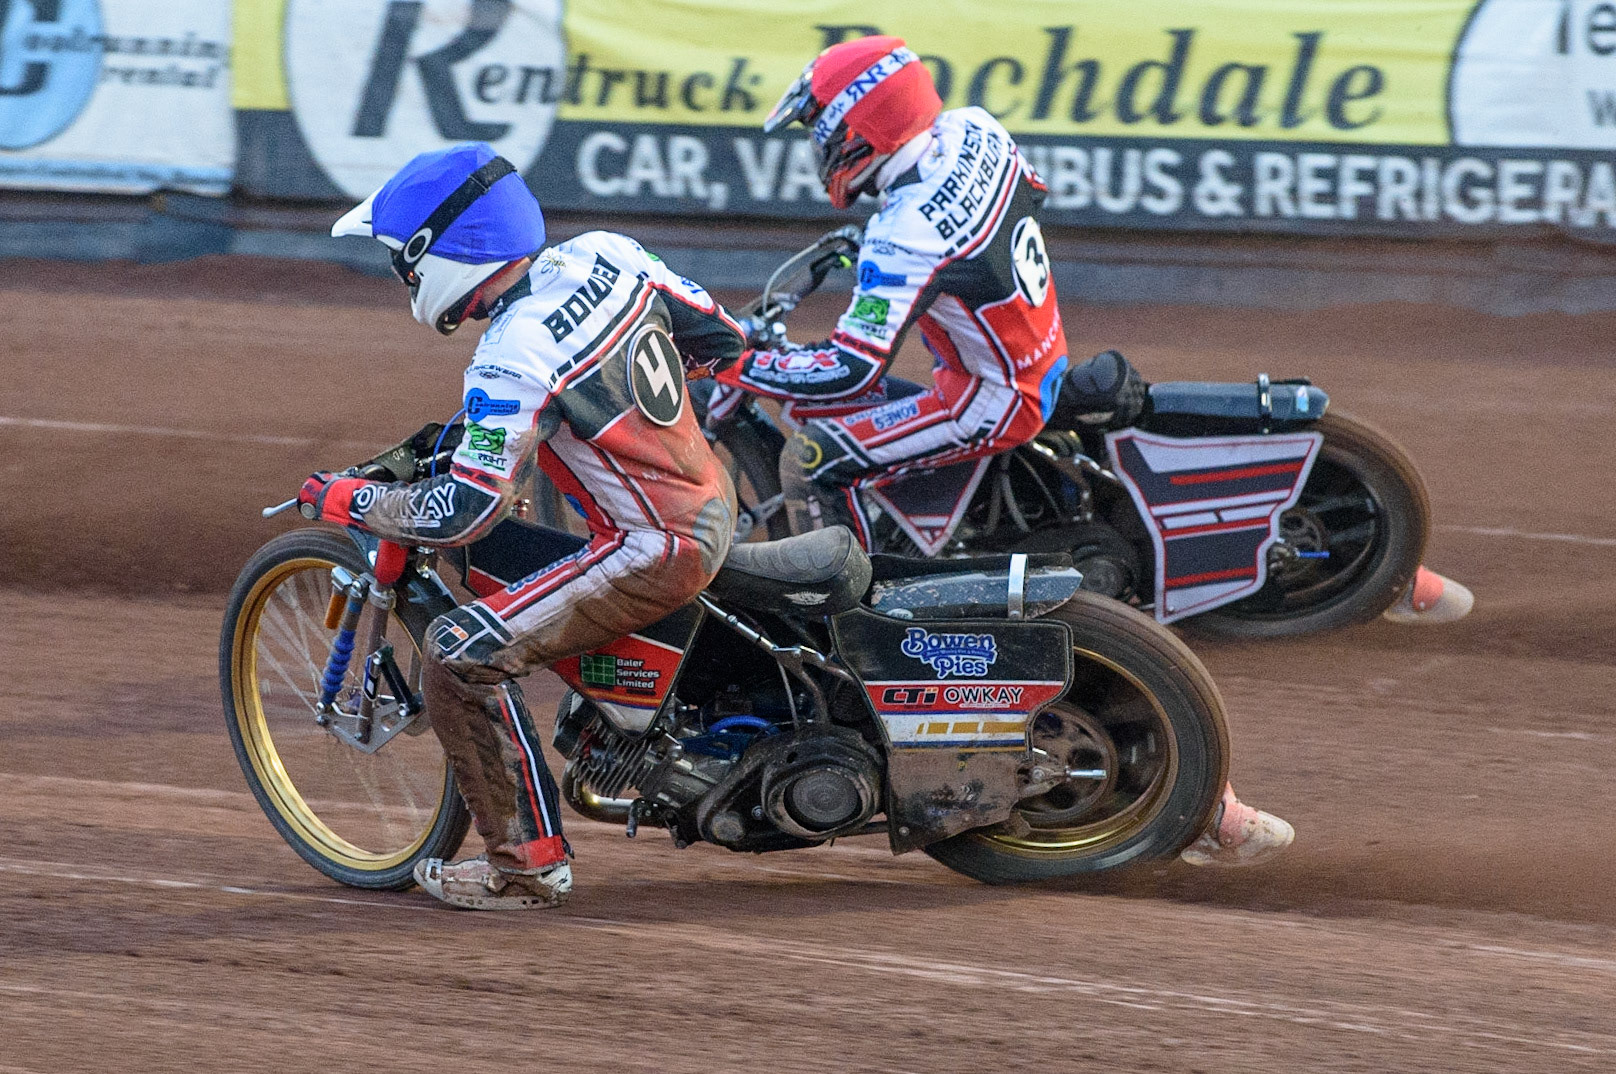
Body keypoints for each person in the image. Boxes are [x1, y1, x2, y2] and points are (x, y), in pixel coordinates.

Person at [723, 35, 1293, 868]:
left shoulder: (904, 234)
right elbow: (1009, 208)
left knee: (812, 455)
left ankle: (849, 608)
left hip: (989, 396)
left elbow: (847, 364)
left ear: (859, 129)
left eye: (821, 132)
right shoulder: (977, 132)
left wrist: (737, 358)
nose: (817, 151)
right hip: (1039, 349)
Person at [301, 142, 746, 909]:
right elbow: (721, 339)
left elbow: (463, 510)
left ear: (436, 253)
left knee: (455, 656)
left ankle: (525, 865)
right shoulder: (608, 254)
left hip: (655, 546)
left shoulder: (512, 352)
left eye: (404, 262)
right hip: (712, 498)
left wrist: (352, 502)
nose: (402, 278)